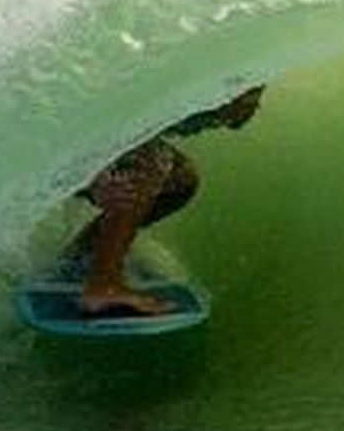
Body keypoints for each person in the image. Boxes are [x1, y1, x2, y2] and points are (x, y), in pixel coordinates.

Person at [67, 86, 264, 316]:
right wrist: (96, 177)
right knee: (152, 160)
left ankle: (81, 259)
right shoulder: (198, 88)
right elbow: (104, 105)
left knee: (182, 180)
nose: (253, 106)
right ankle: (103, 285)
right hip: (66, 142)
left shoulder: (212, 99)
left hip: (99, 142)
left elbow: (237, 120)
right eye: (251, 96)